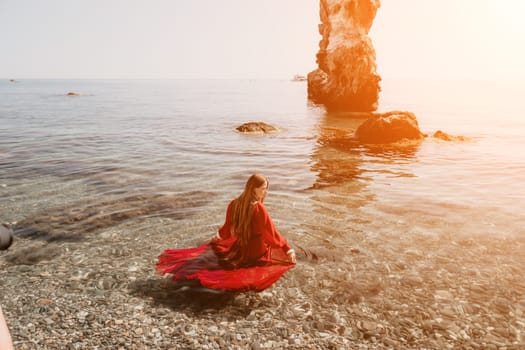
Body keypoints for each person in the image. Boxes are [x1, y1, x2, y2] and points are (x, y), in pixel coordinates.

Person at [156, 174, 296, 292]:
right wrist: (287, 249)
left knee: (219, 255)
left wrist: (217, 237)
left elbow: (227, 230)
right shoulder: (259, 208)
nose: (266, 192)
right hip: (255, 252)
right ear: (254, 189)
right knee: (272, 260)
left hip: (239, 248)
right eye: (264, 189)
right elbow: (272, 235)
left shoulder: (234, 204)